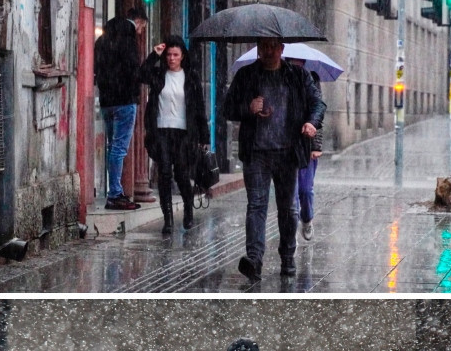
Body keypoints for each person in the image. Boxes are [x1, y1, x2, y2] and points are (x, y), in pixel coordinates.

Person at [223, 37, 326, 280]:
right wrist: (248, 108)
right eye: (263, 47)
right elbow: (228, 108)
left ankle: (288, 257)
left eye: (273, 46)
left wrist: (312, 123)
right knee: (256, 206)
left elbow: (318, 104)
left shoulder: (298, 76)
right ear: (258, 49)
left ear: (281, 49)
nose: (268, 51)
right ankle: (254, 259)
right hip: (256, 152)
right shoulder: (246, 75)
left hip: (287, 153)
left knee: (288, 209)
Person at [137, 35, 210, 234]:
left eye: (175, 55)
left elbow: (199, 107)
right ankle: (168, 219)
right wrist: (154, 54)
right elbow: (141, 74)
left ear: (182, 56)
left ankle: (188, 207)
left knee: (181, 175)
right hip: (161, 130)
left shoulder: (191, 77)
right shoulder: (159, 74)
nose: (171, 58)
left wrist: (205, 137)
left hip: (184, 133)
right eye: (168, 54)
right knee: (165, 174)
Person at [94, 7, 148, 212]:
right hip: (125, 101)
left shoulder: (104, 39)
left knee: (112, 147)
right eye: (142, 27)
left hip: (107, 101)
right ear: (139, 21)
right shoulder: (129, 39)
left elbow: (96, 67)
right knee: (119, 148)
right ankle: (115, 193)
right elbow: (134, 70)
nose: (141, 32)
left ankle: (115, 190)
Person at [288, 58, 324, 241]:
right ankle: (290, 235)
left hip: (306, 144)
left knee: (305, 190)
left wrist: (316, 145)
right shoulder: (280, 79)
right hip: (286, 146)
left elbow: (319, 115)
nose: (295, 64)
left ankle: (307, 218)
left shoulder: (312, 80)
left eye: (298, 62)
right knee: (291, 193)